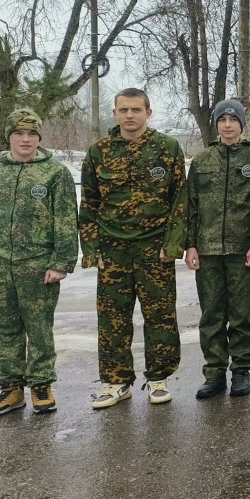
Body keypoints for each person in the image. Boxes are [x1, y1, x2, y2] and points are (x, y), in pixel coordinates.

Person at [80, 88, 188, 408]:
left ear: (148, 113)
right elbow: (89, 203)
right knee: (113, 317)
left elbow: (179, 200)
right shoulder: (98, 152)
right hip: (112, 249)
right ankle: (116, 381)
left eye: (136, 110)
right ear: (114, 114)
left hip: (154, 249)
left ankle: (158, 378)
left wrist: (173, 245)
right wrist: (91, 249)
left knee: (160, 316)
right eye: (123, 110)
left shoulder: (166, 148)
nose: (130, 115)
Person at [0, 109, 77, 417]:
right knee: (4, 327)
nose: (25, 140)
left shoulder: (55, 173)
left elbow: (66, 221)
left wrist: (61, 262)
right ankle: (11, 388)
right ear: (9, 136)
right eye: (19, 133)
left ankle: (41, 384)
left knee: (39, 326)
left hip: (38, 265)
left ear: (39, 137)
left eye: (31, 134)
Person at [184, 99, 250, 400]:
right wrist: (190, 244)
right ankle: (214, 373)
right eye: (223, 119)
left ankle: (242, 371)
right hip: (207, 250)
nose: (228, 124)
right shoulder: (202, 160)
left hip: (241, 250)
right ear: (216, 124)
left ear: (242, 124)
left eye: (234, 119)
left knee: (241, 314)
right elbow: (190, 206)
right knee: (211, 315)